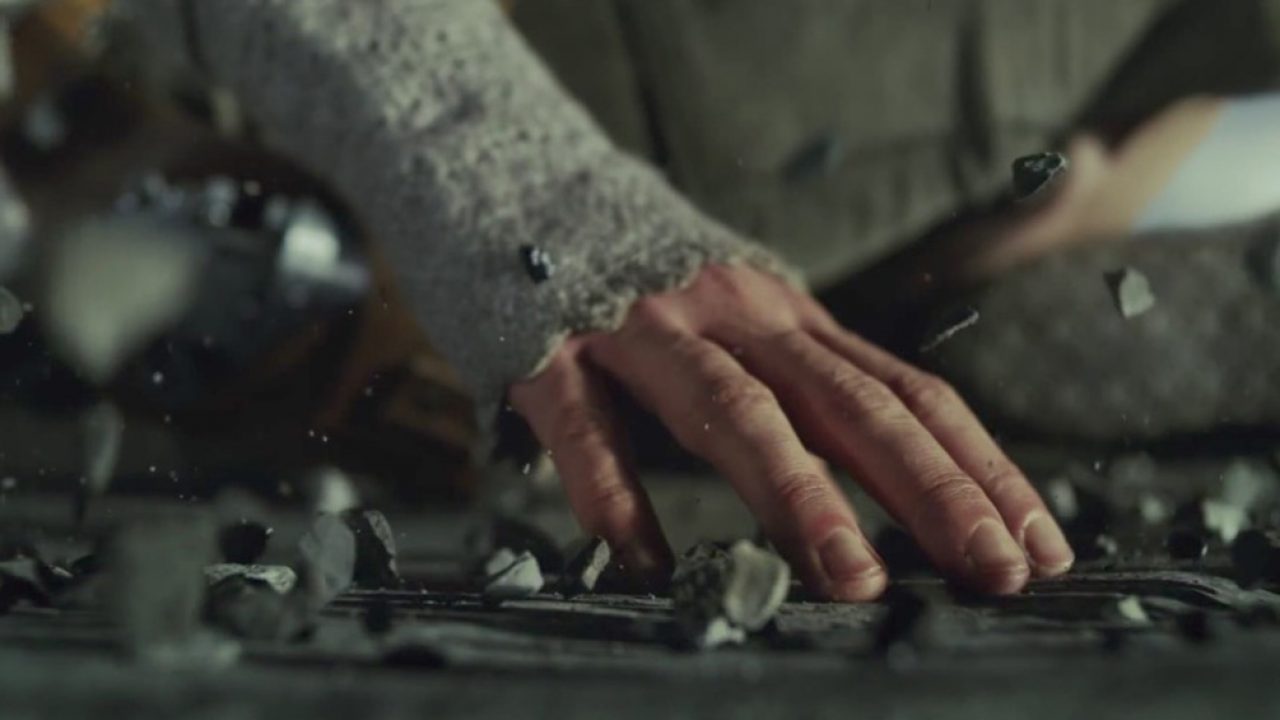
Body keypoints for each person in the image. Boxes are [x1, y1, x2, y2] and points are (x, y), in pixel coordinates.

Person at [101, 0, 1280, 601]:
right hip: (321, 119)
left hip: (832, 227)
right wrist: (534, 194)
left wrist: (1043, 224)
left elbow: (1123, 111)